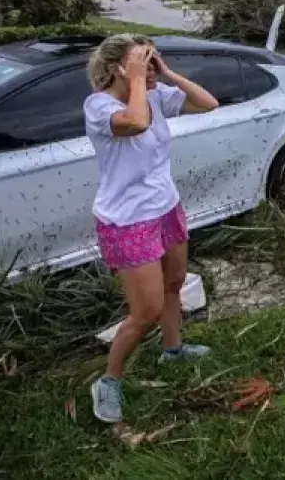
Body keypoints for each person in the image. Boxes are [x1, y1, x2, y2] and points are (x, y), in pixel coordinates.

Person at [84, 34, 219, 423]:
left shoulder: (155, 95)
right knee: (146, 311)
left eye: (151, 60)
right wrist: (140, 81)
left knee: (175, 282)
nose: (149, 67)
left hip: (165, 206)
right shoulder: (99, 106)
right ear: (117, 70)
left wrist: (166, 72)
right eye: (142, 61)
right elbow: (136, 122)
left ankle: (173, 349)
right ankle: (109, 380)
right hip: (128, 220)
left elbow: (208, 103)